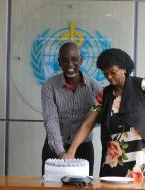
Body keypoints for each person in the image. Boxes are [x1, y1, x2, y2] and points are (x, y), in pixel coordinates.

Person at [62, 48, 145, 180]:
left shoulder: (143, 86)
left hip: (144, 162)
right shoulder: (104, 95)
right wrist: (71, 151)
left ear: (124, 69)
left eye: (113, 72)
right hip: (115, 163)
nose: (109, 76)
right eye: (105, 73)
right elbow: (87, 125)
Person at [41, 42, 102, 176]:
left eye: (74, 59)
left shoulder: (95, 87)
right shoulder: (49, 87)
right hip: (55, 148)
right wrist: (62, 154)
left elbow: (99, 118)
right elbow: (51, 120)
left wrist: (88, 126)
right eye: (65, 60)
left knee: (83, 185)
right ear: (59, 62)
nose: (70, 64)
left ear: (81, 60)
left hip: (84, 148)